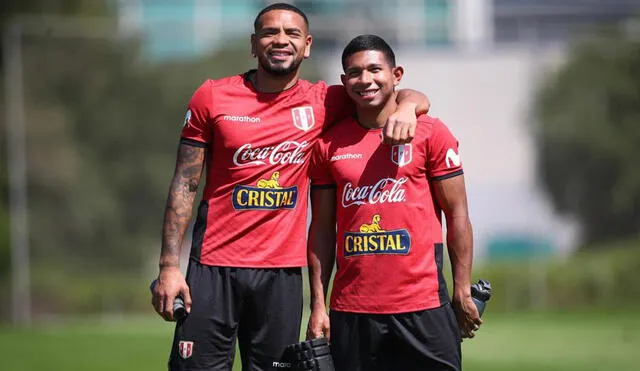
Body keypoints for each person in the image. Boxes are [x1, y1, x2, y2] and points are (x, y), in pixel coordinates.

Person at [150, 3, 431, 371]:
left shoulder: (327, 101)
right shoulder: (212, 96)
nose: (280, 40)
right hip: (212, 268)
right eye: (270, 33)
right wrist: (169, 266)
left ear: (307, 45)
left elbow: (394, 91)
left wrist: (408, 108)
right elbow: (185, 182)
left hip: (281, 275)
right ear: (254, 44)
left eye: (291, 33)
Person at [306, 34, 481, 371]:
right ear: (344, 82)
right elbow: (322, 229)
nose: (365, 80)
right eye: (355, 73)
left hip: (424, 307)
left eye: (375, 69)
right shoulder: (328, 145)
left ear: (396, 74)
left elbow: (458, 214)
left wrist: (461, 288)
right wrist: (318, 304)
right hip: (353, 311)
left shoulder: (431, 133)